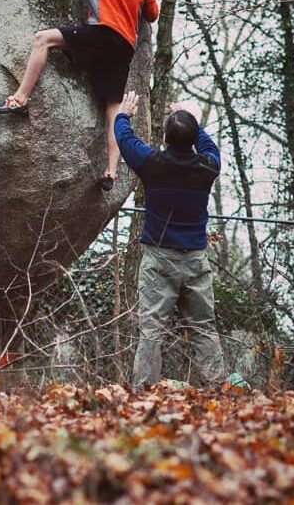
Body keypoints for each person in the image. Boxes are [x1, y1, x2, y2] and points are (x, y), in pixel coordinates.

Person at [0, 0, 160, 191]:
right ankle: (111, 171)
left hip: (102, 33)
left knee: (44, 39)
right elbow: (152, 14)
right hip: (124, 48)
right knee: (113, 108)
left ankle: (19, 99)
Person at [114, 91, 226, 388]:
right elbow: (209, 146)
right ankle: (220, 389)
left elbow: (125, 142)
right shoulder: (207, 168)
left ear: (163, 138)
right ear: (192, 140)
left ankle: (143, 392)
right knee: (203, 328)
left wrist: (123, 115)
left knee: (151, 330)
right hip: (195, 261)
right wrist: (191, 122)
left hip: (159, 258)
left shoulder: (153, 164)